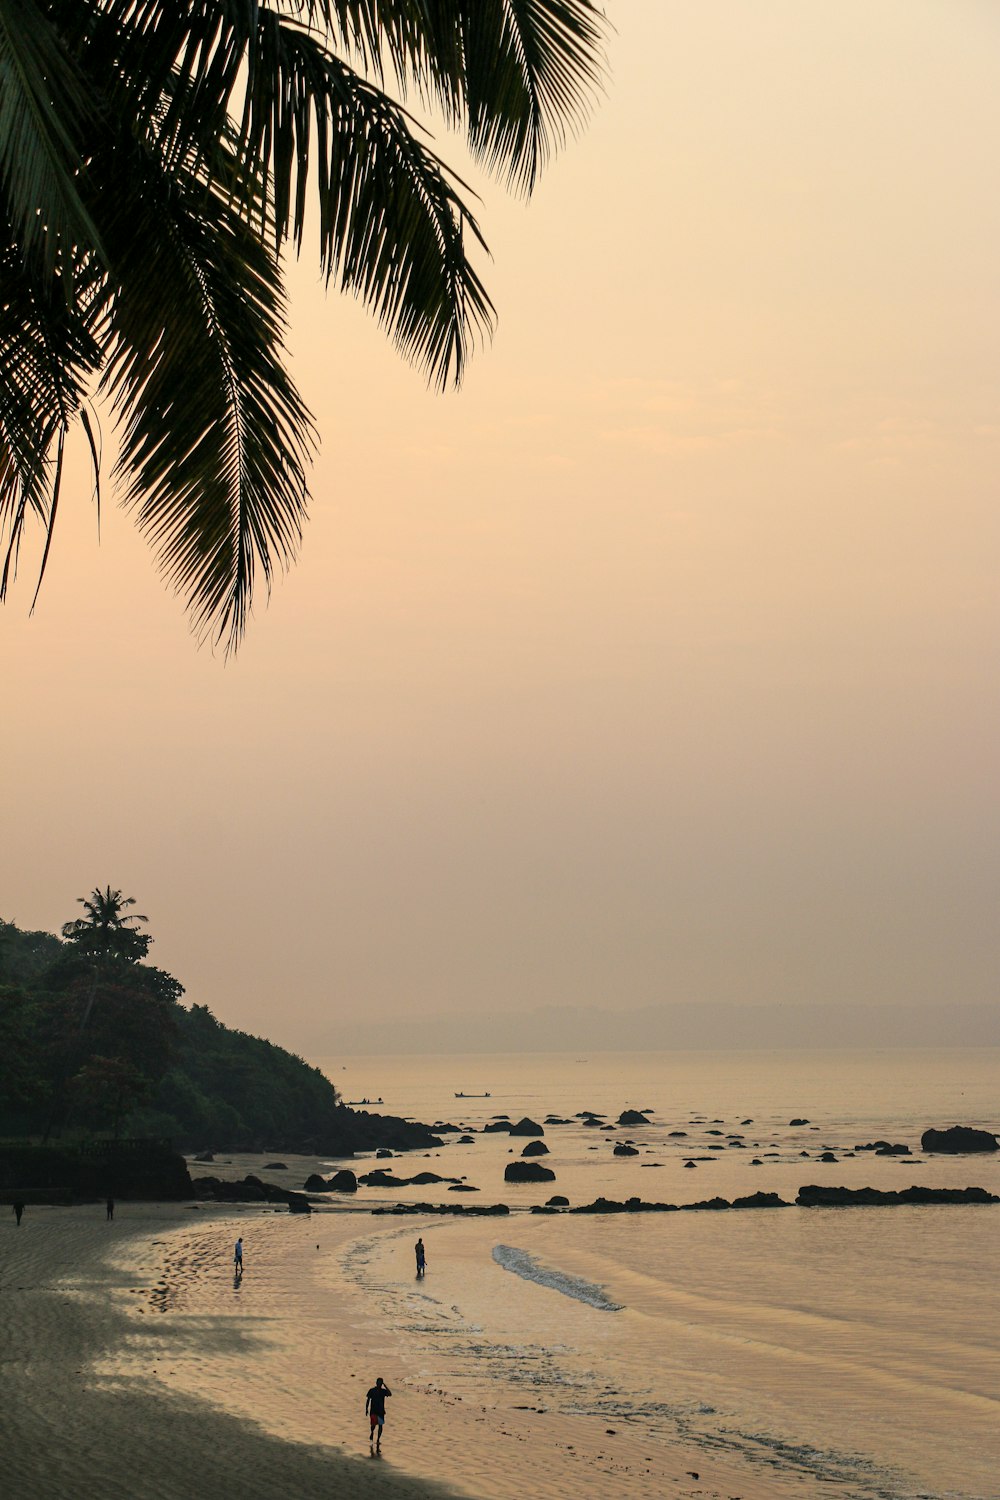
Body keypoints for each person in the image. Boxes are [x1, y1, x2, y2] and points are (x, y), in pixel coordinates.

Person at [365, 1377, 392, 1451]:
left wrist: (385, 1386)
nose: (379, 1384)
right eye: (378, 1382)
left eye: (380, 1383)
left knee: (380, 1426)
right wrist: (366, 1409)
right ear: (376, 1383)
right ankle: (372, 1432)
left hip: (381, 1411)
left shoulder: (383, 1391)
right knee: (373, 1425)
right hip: (373, 1411)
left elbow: (390, 1394)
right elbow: (368, 1400)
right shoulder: (372, 1390)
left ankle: (378, 1439)